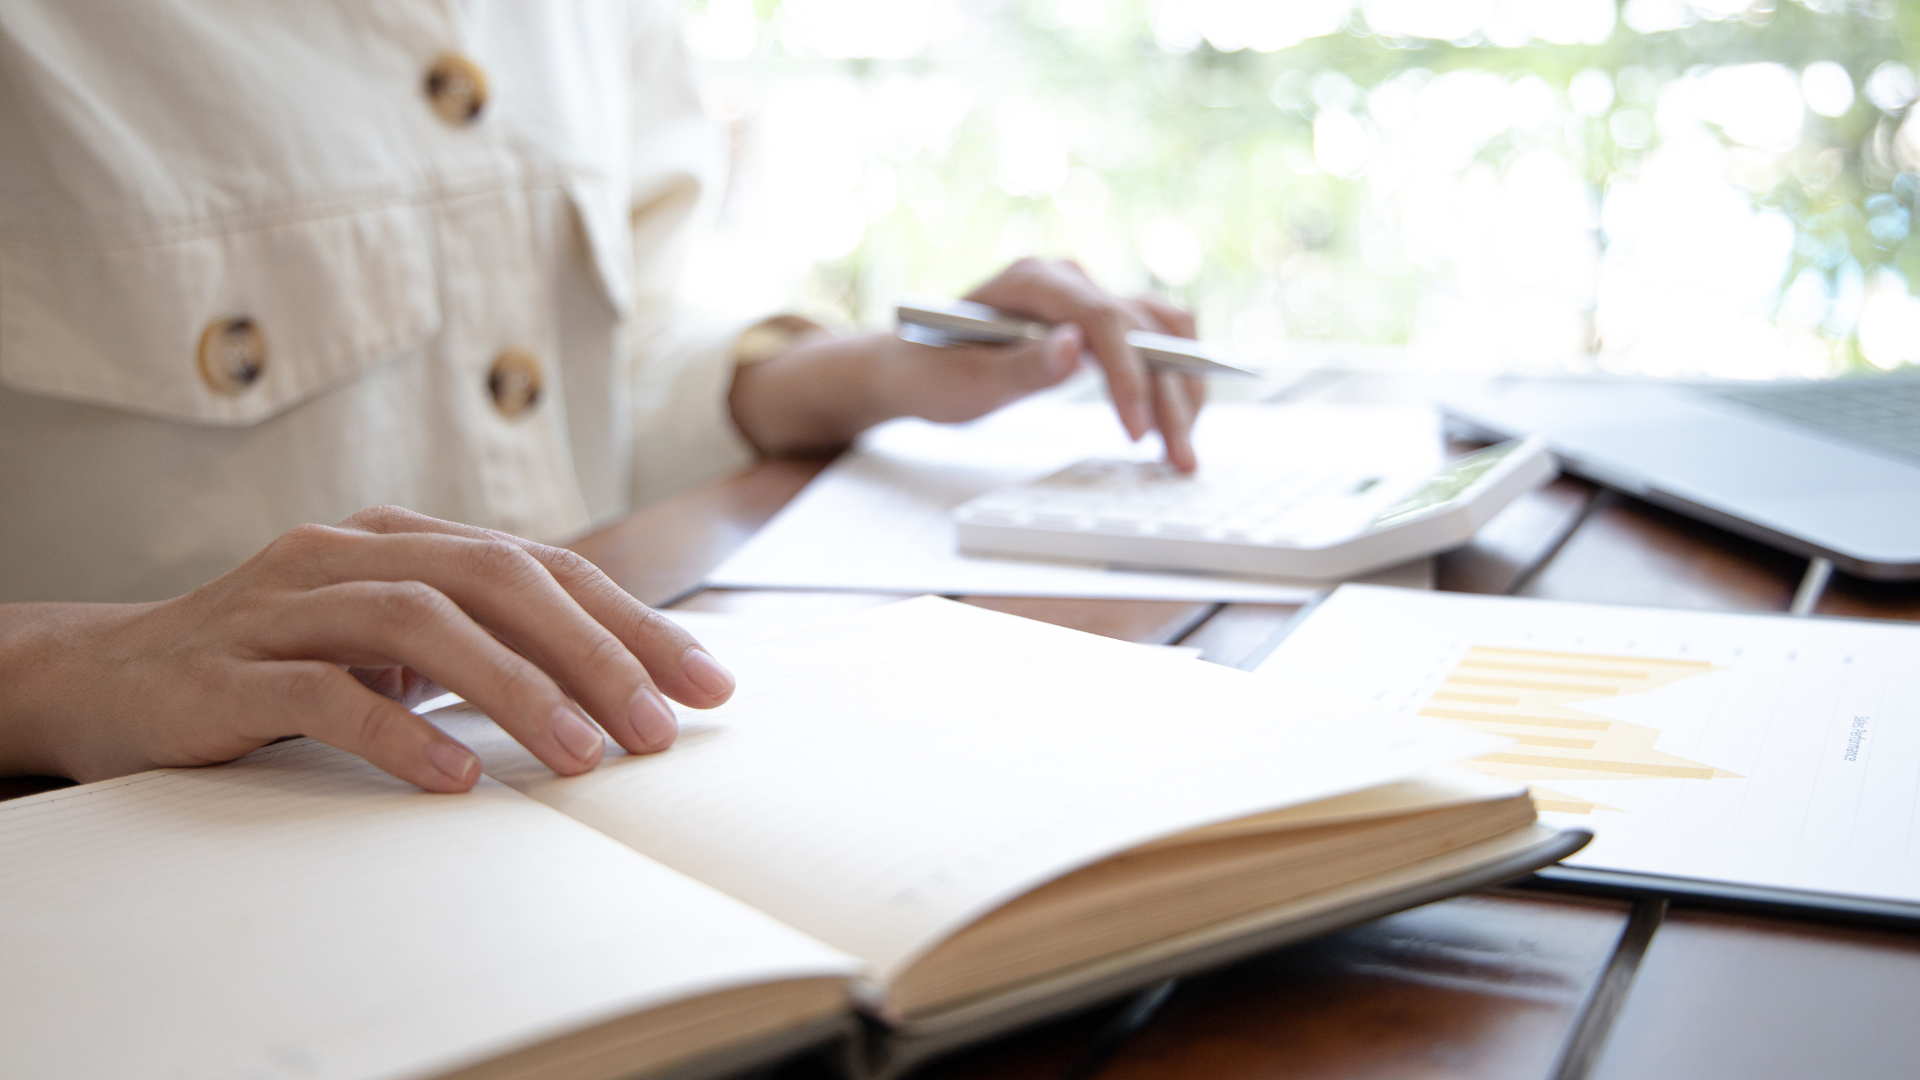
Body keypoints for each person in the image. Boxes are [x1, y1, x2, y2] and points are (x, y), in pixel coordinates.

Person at [0, 2, 1202, 793]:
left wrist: (860, 373)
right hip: (145, 843)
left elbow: (599, 344)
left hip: (540, 783)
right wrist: (71, 664)